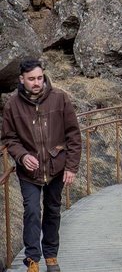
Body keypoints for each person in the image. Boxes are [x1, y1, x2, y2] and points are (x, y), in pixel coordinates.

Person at [1, 59, 82, 272]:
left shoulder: (60, 98)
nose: (37, 83)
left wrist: (72, 167)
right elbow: (9, 138)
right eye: (31, 79)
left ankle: (51, 256)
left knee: (53, 211)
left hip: (56, 167)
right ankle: (32, 259)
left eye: (39, 78)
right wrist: (21, 155)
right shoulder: (12, 105)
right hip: (29, 171)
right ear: (21, 79)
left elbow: (73, 134)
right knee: (32, 211)